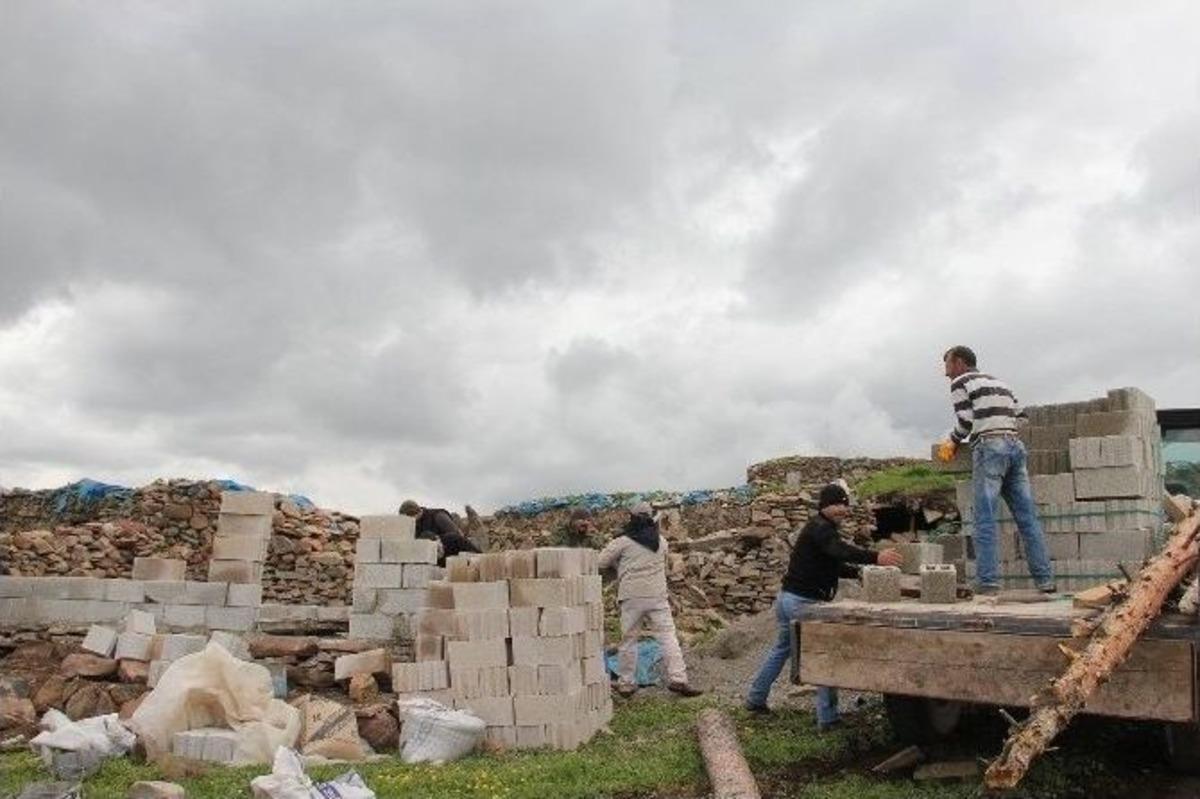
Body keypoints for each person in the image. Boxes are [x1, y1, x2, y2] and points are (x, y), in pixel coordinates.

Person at [745, 483, 903, 725]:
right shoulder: (821, 529)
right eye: (836, 504)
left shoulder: (820, 528)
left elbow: (832, 564)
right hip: (803, 602)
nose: (841, 509)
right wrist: (876, 557)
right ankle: (828, 719)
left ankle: (755, 699)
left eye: (844, 504)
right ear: (823, 506)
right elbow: (839, 551)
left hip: (788, 598)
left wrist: (858, 573)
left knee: (781, 649)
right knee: (825, 654)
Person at [935, 346, 1056, 595]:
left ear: (959, 362)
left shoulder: (960, 381)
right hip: (1015, 447)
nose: (945, 370)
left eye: (946, 363)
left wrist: (953, 441)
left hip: (990, 448)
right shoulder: (1000, 383)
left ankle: (988, 582)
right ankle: (1045, 581)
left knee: (985, 518)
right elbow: (1022, 417)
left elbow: (966, 422)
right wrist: (1004, 430)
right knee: (1027, 518)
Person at [598, 502, 702, 699]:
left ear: (632, 519)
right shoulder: (661, 542)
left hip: (631, 597)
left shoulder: (623, 542)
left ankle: (626, 682)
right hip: (657, 596)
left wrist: (618, 563)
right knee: (667, 636)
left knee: (629, 639)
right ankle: (678, 678)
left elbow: (601, 562)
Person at [399, 500, 481, 565]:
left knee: (429, 536)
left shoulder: (438, 516)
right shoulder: (414, 525)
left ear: (413, 514)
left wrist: (436, 539)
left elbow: (458, 537)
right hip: (434, 559)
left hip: (457, 553)